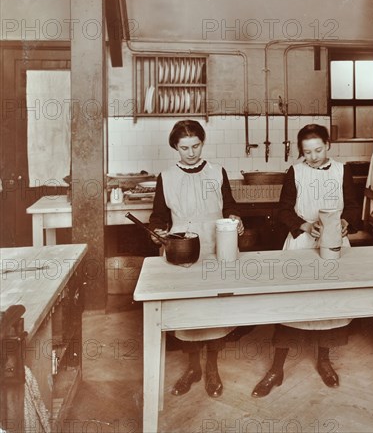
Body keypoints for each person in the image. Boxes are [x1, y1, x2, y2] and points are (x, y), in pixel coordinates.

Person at [251, 124, 361, 398]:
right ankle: (277, 368)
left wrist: (346, 221)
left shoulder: (342, 170)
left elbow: (354, 207)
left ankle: (324, 360)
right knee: (291, 304)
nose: (312, 157)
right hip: (302, 244)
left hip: (334, 245)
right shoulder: (296, 172)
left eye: (318, 150)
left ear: (328, 144)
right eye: (307, 152)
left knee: (329, 304)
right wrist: (303, 225)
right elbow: (283, 211)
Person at [149, 119, 247, 398]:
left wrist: (235, 218)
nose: (191, 153)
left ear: (203, 143)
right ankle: (193, 367)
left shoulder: (217, 172)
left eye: (196, 146)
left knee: (215, 310)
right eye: (184, 148)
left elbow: (229, 206)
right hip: (182, 249)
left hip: (216, 246)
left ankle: (212, 367)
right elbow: (158, 215)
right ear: (175, 148)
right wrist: (157, 230)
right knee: (186, 312)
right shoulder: (166, 176)